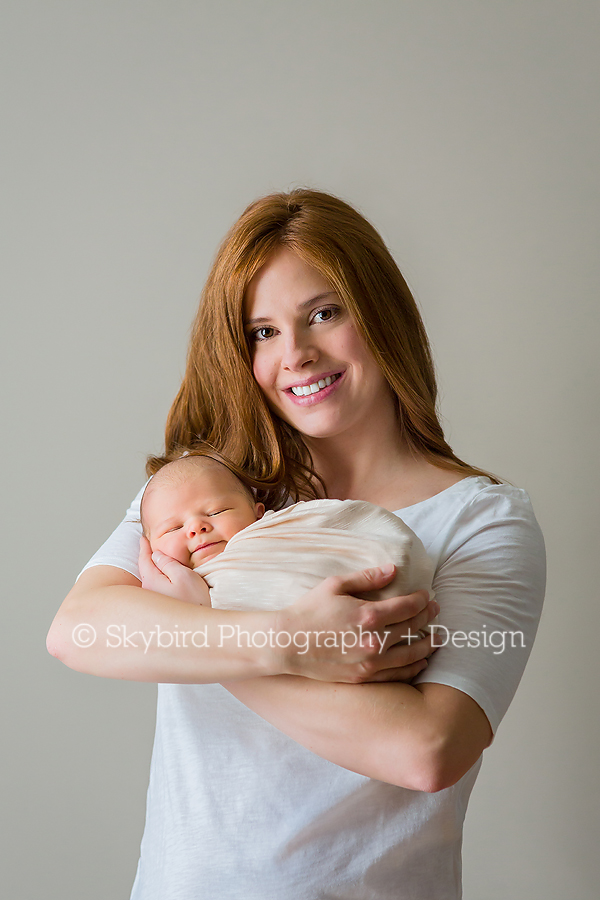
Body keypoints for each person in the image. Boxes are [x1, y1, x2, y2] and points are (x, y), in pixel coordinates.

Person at [47, 188, 546, 899]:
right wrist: (291, 640)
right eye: (262, 332)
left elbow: (428, 748)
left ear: (380, 312)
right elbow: (79, 631)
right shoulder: (205, 494)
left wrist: (208, 629)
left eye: (324, 313)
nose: (298, 354)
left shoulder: (482, 521)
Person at [139, 450, 435, 615]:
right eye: (175, 528)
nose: (196, 527)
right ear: (150, 549)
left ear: (258, 514)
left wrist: (196, 618)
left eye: (217, 512)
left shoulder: (279, 532)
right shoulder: (165, 587)